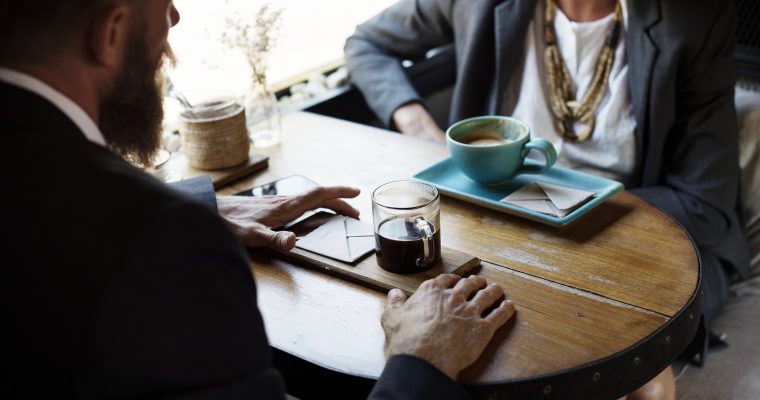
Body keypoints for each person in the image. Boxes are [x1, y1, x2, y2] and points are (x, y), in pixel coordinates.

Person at [0, 1, 516, 398]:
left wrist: (206, 206)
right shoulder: (163, 246)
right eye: (164, 4)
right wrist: (420, 362)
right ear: (109, 34)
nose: (176, 18)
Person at [344, 0, 750, 399]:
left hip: (641, 244)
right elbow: (365, 43)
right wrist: (417, 125)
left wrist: (550, 218)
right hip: (508, 237)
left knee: (632, 374)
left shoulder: (695, 18)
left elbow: (705, 203)